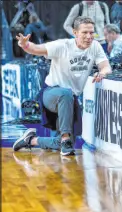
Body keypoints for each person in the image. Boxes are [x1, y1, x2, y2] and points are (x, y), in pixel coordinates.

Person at [13, 16, 112, 156]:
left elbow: (106, 67)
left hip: (70, 100)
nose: (89, 36)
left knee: (64, 145)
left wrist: (102, 73)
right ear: (75, 32)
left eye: (92, 33)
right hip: (51, 94)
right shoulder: (62, 45)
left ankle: (31, 140)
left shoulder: (95, 46)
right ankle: (65, 137)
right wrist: (25, 45)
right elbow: (36, 49)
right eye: (85, 32)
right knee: (66, 94)